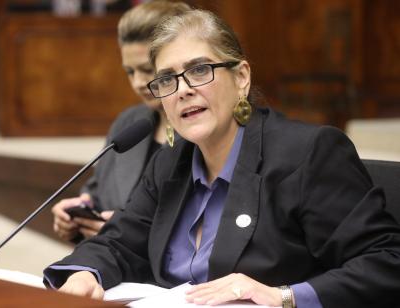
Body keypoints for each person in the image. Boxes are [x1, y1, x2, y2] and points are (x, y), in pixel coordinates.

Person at [43, 8, 400, 308]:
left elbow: (387, 261)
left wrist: (283, 296)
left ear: (241, 77)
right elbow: (119, 242)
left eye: (199, 70)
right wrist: (84, 273)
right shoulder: (170, 163)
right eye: (167, 79)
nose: (183, 90)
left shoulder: (307, 154)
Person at [51, 0, 191, 243]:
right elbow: (97, 194)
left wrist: (126, 232)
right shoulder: (129, 123)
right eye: (130, 72)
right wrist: (77, 215)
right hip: (108, 270)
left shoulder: (202, 128)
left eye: (147, 69)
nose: (138, 82)